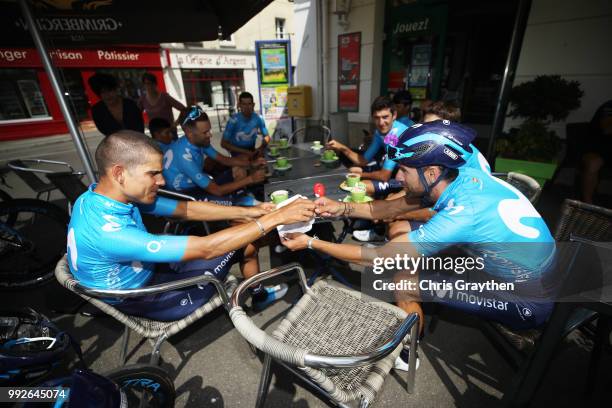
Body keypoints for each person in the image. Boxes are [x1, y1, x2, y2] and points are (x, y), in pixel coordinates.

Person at [281, 122, 557, 370]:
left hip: (527, 301)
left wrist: (311, 241)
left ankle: (408, 352)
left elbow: (376, 258)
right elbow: (387, 208)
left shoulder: (461, 214)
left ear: (432, 171)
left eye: (404, 170)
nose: (397, 178)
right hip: (524, 266)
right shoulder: (463, 167)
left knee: (402, 277)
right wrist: (340, 208)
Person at [66, 130, 316, 320]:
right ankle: (259, 296)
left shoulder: (96, 197)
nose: (161, 181)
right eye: (152, 173)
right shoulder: (108, 232)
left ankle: (257, 290)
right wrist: (275, 218)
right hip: (151, 297)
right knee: (247, 240)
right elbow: (207, 248)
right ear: (119, 173)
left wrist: (251, 211)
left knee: (241, 228)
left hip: (147, 272)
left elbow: (186, 209)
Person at [163, 105, 267, 206]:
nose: (210, 134)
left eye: (209, 130)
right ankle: (244, 204)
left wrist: (251, 164)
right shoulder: (183, 156)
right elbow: (218, 191)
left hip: (196, 185)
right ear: (189, 133)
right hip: (185, 196)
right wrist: (251, 179)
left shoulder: (197, 140)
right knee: (237, 203)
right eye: (205, 132)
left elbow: (224, 160)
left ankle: (243, 198)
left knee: (238, 169)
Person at [89, 73, 144, 137]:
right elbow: (104, 131)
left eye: (109, 90)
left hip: (137, 140)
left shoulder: (130, 104)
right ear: (99, 94)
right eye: (103, 92)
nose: (107, 95)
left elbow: (140, 127)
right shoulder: (97, 110)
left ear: (115, 89)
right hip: (116, 143)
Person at [580, 99, 612, 203]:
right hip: (597, 147)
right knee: (594, 163)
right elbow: (607, 128)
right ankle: (587, 204)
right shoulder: (609, 107)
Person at [139, 72, 187, 139]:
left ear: (155, 84)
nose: (148, 86)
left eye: (150, 83)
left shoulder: (164, 97)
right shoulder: (143, 99)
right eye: (146, 84)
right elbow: (136, 114)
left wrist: (175, 124)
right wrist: (145, 124)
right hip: (156, 136)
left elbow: (184, 109)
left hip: (170, 134)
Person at [222, 92, 269, 157]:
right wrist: (246, 152)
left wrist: (261, 147)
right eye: (244, 104)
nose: (247, 107)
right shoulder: (233, 120)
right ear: (239, 105)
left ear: (253, 105)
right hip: (236, 152)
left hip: (252, 150)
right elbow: (223, 143)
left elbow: (267, 137)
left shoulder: (259, 118)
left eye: (249, 104)